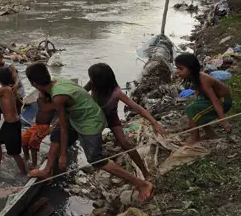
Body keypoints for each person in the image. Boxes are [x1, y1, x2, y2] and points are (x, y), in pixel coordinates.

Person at [25, 62, 154, 203]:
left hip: (90, 122)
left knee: (95, 159)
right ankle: (46, 170)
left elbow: (63, 128)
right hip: (79, 117)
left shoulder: (58, 97)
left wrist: (62, 156)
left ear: (34, 83)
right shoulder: (57, 80)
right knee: (56, 135)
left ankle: (141, 183)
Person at [84, 63, 166, 181]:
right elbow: (80, 94)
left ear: (100, 80)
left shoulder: (116, 92)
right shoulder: (92, 84)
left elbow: (137, 107)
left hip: (111, 118)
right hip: (95, 118)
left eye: (92, 78)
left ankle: (145, 173)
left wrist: (154, 123)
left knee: (125, 143)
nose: (90, 80)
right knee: (94, 147)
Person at [174, 53, 232, 145]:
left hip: (223, 101)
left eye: (180, 69)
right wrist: (197, 100)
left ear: (191, 69)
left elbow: (215, 100)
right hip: (208, 98)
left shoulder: (204, 79)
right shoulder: (192, 77)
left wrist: (223, 120)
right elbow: (198, 90)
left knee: (192, 110)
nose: (177, 71)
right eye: (176, 68)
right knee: (194, 107)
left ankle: (195, 138)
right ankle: (210, 134)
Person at [0, 47, 25, 144]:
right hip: (5, 91)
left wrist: (15, 85)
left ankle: (17, 135)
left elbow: (16, 77)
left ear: (1, 57)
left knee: (16, 112)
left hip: (16, 91)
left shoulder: (9, 66)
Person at [21, 96, 56, 168]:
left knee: (33, 142)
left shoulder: (54, 104)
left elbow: (62, 116)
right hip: (36, 124)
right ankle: (26, 158)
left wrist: (53, 127)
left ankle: (34, 164)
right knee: (24, 139)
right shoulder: (40, 99)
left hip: (44, 126)